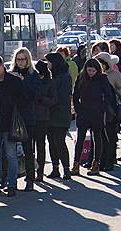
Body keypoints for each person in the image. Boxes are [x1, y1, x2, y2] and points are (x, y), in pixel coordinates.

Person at [0, 54, 22, 195]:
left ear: (2, 65)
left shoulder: (14, 80)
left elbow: (23, 99)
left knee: (10, 154)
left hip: (9, 123)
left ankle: (11, 184)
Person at [71, 58, 113, 176]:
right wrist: (78, 109)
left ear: (97, 70)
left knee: (97, 138)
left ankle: (96, 163)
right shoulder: (81, 77)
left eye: (93, 71)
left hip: (97, 112)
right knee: (80, 139)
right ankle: (76, 164)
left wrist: (102, 108)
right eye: (89, 70)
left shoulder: (102, 78)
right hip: (83, 111)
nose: (91, 73)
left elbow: (108, 95)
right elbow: (75, 94)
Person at [9, 47, 40, 191]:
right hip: (12, 116)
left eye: (23, 59)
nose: (20, 62)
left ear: (28, 60)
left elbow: (33, 96)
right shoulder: (11, 74)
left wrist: (22, 82)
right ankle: (10, 180)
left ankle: (30, 178)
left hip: (27, 117)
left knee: (28, 149)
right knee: (11, 150)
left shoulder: (33, 75)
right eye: (18, 59)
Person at [96, 52, 121, 171]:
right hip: (97, 108)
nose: (100, 65)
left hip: (111, 108)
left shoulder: (114, 74)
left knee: (110, 135)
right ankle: (98, 160)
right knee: (99, 136)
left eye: (102, 63)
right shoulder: (94, 75)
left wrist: (117, 99)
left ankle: (110, 159)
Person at [45, 51, 73, 180]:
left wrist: (47, 100)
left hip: (61, 114)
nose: (47, 65)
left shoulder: (64, 77)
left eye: (49, 62)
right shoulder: (51, 77)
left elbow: (60, 97)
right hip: (50, 114)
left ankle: (66, 169)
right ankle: (55, 168)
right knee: (51, 142)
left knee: (59, 141)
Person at [33, 59, 55, 182]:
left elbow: (53, 100)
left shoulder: (50, 83)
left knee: (40, 145)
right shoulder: (33, 81)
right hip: (31, 116)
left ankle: (40, 171)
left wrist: (41, 98)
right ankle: (31, 171)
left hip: (43, 117)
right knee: (30, 147)